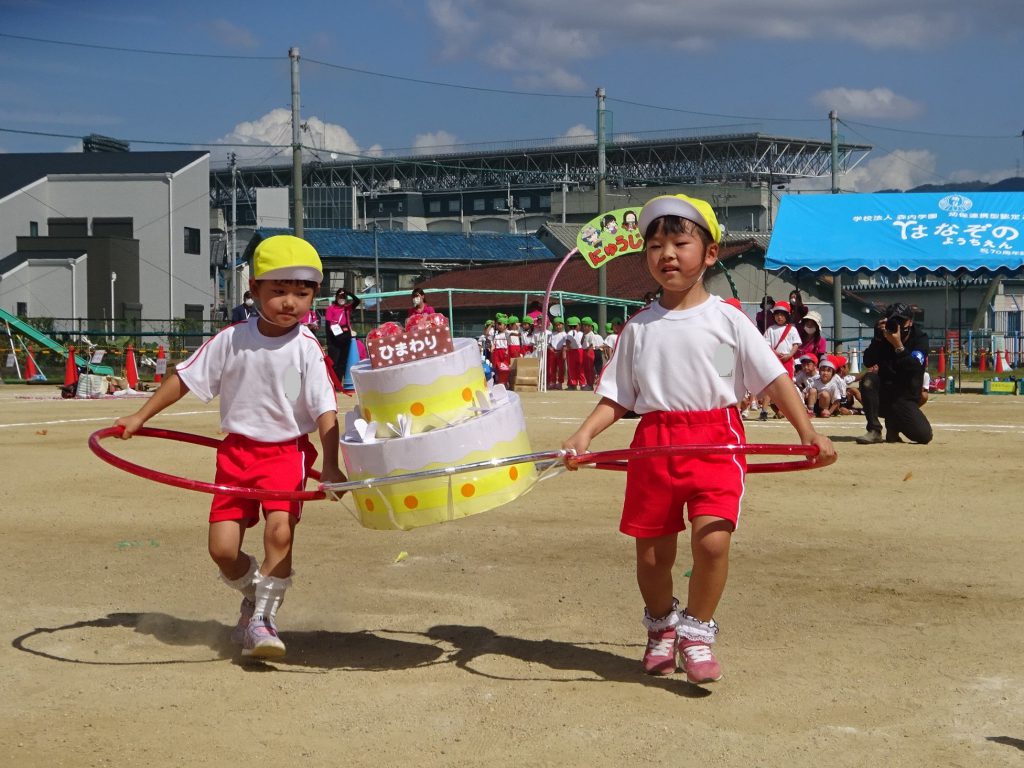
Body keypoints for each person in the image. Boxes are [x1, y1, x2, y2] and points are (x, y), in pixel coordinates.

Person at [562, 194, 834, 684]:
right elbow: (617, 397)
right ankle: (661, 625)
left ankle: (698, 630)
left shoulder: (728, 319)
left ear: (709, 254)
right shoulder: (638, 328)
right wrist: (583, 435)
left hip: (716, 439)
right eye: (655, 246)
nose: (666, 254)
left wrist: (808, 431)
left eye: (680, 243)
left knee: (712, 543)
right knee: (652, 555)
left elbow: (772, 377)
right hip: (654, 443)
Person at [113, 235, 345, 659]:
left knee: (280, 532)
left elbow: (326, 412)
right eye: (279, 290)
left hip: (285, 453)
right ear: (254, 289)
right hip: (236, 454)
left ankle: (263, 621)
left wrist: (331, 465)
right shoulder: (231, 339)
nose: (291, 302)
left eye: (303, 291)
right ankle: (257, 591)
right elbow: (184, 379)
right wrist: (139, 417)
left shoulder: (307, 349)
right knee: (221, 550)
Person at [855, 303, 933, 444]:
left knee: (924, 436)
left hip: (905, 397)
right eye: (893, 321)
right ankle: (874, 430)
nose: (896, 325)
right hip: (884, 393)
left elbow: (915, 367)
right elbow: (868, 361)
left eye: (900, 321)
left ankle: (894, 425)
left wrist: (898, 346)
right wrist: (878, 339)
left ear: (910, 321)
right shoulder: (883, 336)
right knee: (868, 380)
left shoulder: (920, 339)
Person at [324, 287, 361, 388]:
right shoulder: (330, 309)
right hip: (334, 339)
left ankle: (338, 385)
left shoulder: (346, 308)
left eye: (343, 297)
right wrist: (329, 342)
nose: (341, 299)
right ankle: (332, 383)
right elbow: (328, 327)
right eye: (340, 297)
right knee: (334, 363)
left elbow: (357, 301)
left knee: (342, 362)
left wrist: (349, 293)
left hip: (345, 337)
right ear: (336, 297)